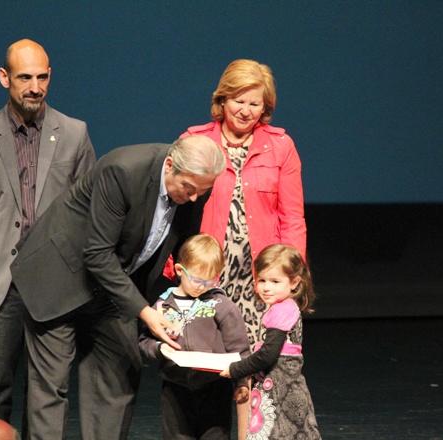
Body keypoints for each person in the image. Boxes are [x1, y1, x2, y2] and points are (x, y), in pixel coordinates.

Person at [9, 136, 225, 439]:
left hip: (114, 285)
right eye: (189, 188)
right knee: (50, 386)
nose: (193, 198)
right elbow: (98, 254)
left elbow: (186, 251)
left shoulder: (196, 185)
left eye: (202, 192)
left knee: (119, 372)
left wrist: (192, 299)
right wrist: (145, 313)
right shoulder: (123, 170)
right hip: (58, 276)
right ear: (170, 165)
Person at [0, 39, 96, 425]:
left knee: (49, 389)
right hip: (1, 282)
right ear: (5, 78)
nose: (35, 87)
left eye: (42, 77)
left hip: (54, 281)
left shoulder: (74, 132)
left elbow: (88, 205)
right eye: (25, 77)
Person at [178, 58, 307, 437]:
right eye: (239, 100)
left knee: (250, 372)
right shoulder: (196, 140)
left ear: (265, 108)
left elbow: (292, 217)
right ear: (222, 99)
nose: (246, 110)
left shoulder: (280, 147)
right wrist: (176, 267)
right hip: (208, 275)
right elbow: (177, 211)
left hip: (258, 281)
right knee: (206, 367)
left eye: (255, 103)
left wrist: (292, 277)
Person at [140, 234, 250, 439]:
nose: (201, 286)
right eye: (197, 279)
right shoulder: (162, 306)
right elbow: (145, 340)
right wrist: (159, 348)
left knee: (215, 435)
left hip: (215, 387)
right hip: (175, 387)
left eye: (209, 281)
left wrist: (242, 381)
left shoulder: (222, 305)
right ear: (179, 270)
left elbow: (239, 348)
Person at [220, 244, 321, 439]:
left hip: (281, 393)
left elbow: (268, 355)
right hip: (279, 389)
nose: (266, 287)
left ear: (294, 282)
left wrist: (236, 369)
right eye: (262, 280)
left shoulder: (282, 310)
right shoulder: (284, 307)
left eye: (275, 281)